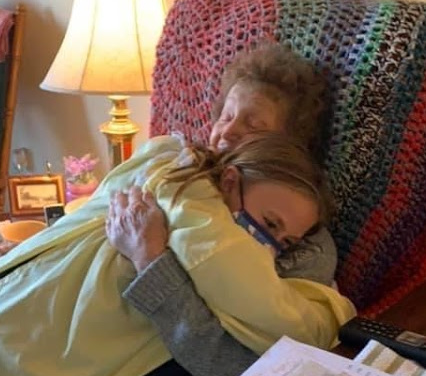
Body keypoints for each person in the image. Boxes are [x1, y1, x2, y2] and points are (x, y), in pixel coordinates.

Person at [0, 133, 354, 376]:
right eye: (269, 222)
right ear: (229, 181)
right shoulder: (183, 196)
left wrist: (150, 260)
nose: (268, 244)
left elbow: (234, 360)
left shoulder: (277, 270)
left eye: (285, 241)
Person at [109, 44, 346, 376]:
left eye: (254, 125)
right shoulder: (176, 167)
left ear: (285, 148)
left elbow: (242, 363)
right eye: (226, 115)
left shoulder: (305, 243)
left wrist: (149, 259)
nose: (229, 131)